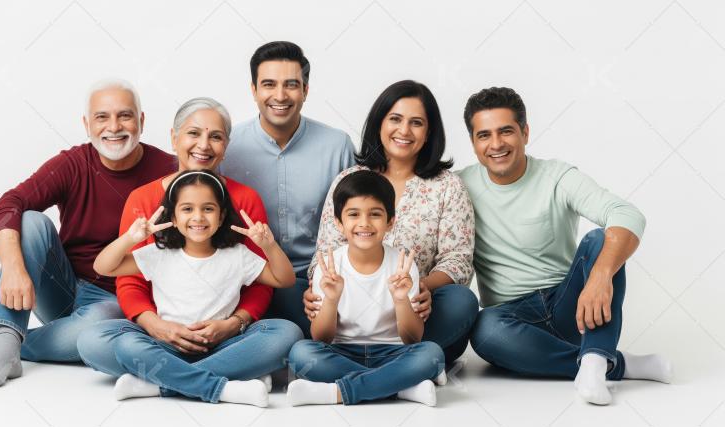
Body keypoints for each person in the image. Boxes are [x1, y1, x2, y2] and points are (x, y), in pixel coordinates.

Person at [0, 79, 176, 389]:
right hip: (62, 287)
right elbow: (6, 206)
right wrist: (13, 268)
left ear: (141, 121)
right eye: (102, 117)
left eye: (125, 115)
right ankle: (7, 342)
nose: (114, 127)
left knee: (98, 326)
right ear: (87, 125)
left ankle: (4, 344)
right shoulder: (73, 163)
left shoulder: (169, 172)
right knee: (30, 221)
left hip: (117, 299)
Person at [461, 87, 672, 405]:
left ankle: (595, 358)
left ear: (525, 132)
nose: (496, 144)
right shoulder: (459, 187)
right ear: (473, 142)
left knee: (599, 239)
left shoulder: (556, 176)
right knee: (485, 331)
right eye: (484, 135)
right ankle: (610, 363)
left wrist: (600, 275)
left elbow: (627, 214)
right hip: (511, 318)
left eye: (506, 131)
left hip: (571, 308)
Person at [77, 98, 301, 385]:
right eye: (193, 133)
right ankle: (223, 378)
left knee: (286, 334)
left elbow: (270, 282)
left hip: (225, 338)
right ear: (174, 138)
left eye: (216, 137)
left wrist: (231, 326)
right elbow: (120, 276)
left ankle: (163, 382)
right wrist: (157, 326)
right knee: (92, 341)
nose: (204, 145)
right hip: (162, 337)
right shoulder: (156, 239)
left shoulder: (240, 226)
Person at [303, 80, 478, 365]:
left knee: (462, 301)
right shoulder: (350, 179)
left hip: (415, 310)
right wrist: (318, 290)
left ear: (429, 132)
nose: (404, 131)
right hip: (348, 308)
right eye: (395, 119)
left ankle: (379, 362)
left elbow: (457, 260)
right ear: (379, 123)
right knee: (289, 293)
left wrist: (419, 287)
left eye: (416, 123)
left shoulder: (448, 186)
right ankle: (405, 368)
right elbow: (326, 249)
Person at [92, 170, 300, 407]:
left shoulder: (238, 255)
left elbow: (285, 279)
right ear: (173, 216)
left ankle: (160, 383)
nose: (198, 217)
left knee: (287, 332)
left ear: (221, 216)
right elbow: (103, 267)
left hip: (223, 345)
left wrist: (269, 246)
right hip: (167, 346)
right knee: (120, 343)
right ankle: (224, 385)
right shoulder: (158, 254)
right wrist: (130, 239)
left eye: (208, 209)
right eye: (187, 209)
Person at [219, 41, 355, 336]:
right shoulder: (227, 146)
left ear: (305, 90)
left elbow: (356, 222)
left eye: (291, 85)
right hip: (247, 281)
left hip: (318, 281)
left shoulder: (337, 146)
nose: (280, 96)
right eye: (269, 84)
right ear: (253, 90)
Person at [287, 171, 444, 407]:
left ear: (390, 222)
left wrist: (401, 300)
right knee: (301, 353)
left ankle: (338, 393)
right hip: (341, 352)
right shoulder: (329, 266)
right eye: (353, 214)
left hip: (392, 353)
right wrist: (331, 300)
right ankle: (399, 388)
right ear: (339, 223)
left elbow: (413, 339)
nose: (364, 223)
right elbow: (321, 338)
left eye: (375, 214)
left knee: (431, 354)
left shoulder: (402, 265)